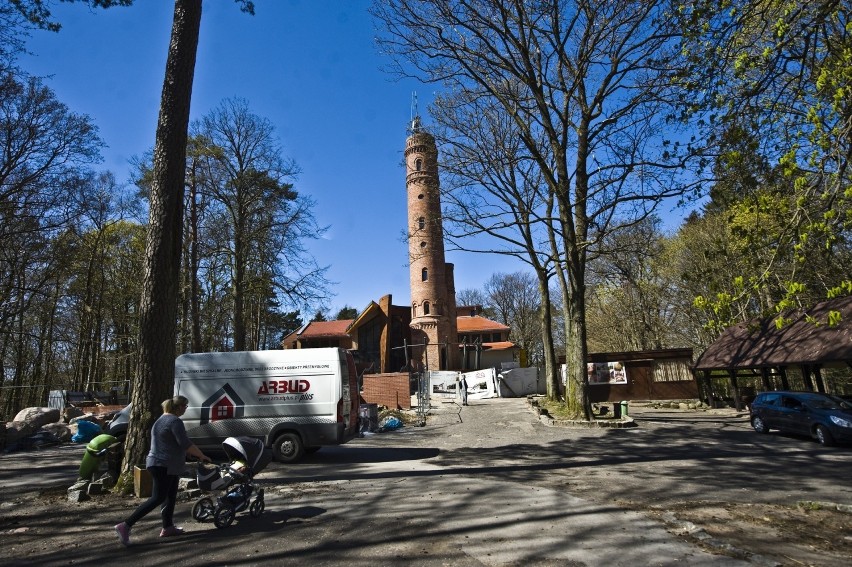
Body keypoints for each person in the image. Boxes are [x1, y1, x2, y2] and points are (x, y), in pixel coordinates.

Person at [114, 396, 210, 546]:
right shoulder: (174, 421)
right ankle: (125, 525)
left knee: (170, 496)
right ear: (178, 407)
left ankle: (168, 527)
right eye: (185, 406)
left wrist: (187, 453)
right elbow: (185, 442)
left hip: (165, 464)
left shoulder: (161, 419)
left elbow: (169, 441)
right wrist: (201, 455)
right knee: (157, 498)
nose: (186, 408)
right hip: (162, 465)